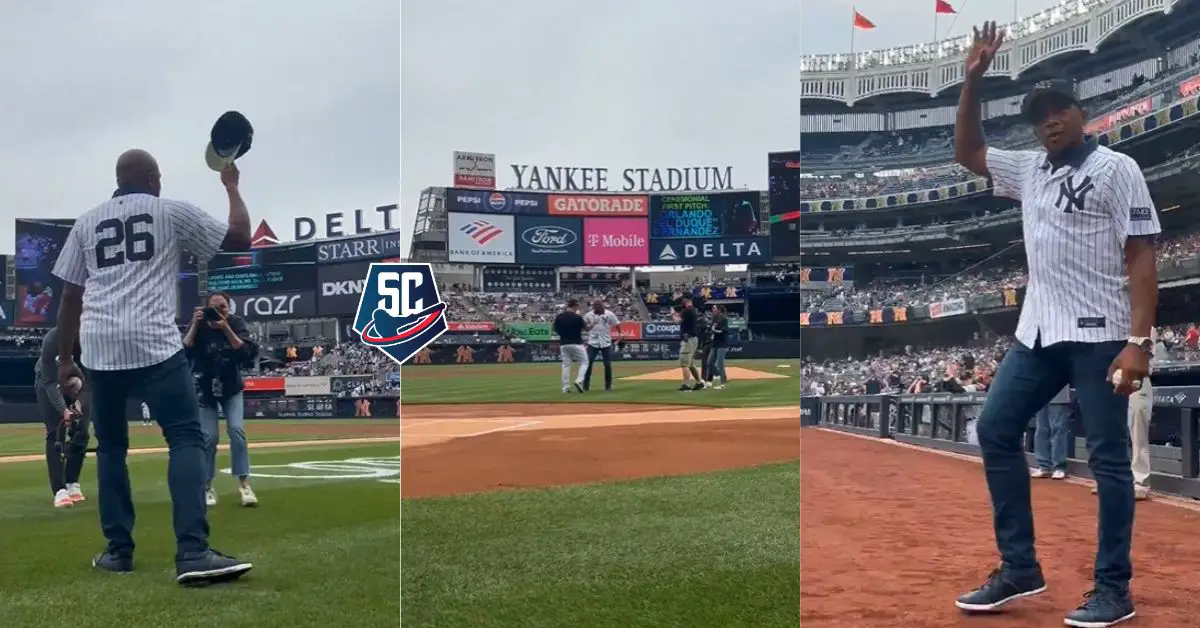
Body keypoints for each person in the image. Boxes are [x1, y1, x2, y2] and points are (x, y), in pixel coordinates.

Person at [951, 22, 1159, 627]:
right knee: (994, 429)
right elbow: (968, 154)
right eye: (1039, 114)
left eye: (1058, 109)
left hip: (1101, 336)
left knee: (1108, 460)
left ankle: (1113, 587)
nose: (1049, 121)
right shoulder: (1029, 170)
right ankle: (1020, 567)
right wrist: (971, 82)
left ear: (1079, 111)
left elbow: (1142, 254)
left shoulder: (1118, 168)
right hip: (1038, 333)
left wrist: (1139, 342)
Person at [53, 149, 254, 585]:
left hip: (101, 345)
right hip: (154, 342)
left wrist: (66, 358)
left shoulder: (87, 221)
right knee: (184, 437)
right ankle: (193, 552)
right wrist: (232, 185)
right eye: (157, 174)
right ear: (150, 177)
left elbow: (70, 295)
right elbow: (241, 238)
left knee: (110, 447)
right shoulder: (169, 211)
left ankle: (117, 553)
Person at [183, 291, 258, 508]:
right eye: (213, 308)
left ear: (229, 307)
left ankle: (244, 483)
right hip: (205, 388)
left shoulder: (236, 323)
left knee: (236, 431)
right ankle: (207, 486)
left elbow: (245, 352)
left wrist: (225, 327)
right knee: (208, 438)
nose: (218, 312)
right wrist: (195, 324)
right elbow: (185, 349)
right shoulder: (199, 326)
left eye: (222, 307)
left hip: (231, 386)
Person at [37, 326, 90, 508]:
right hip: (49, 381)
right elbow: (50, 382)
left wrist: (79, 402)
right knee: (55, 432)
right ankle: (59, 490)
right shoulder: (53, 339)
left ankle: (72, 482)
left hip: (78, 382)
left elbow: (89, 379)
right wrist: (64, 410)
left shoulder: (90, 339)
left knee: (82, 432)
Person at [1031, 387, 1072, 481]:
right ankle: (1044, 466)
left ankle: (1059, 467)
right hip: (1040, 395)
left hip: (1059, 394)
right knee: (1041, 430)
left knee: (1058, 429)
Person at [582, 300, 620, 392]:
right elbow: (584, 325)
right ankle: (585, 386)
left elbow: (617, 324)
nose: (595, 307)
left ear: (601, 306)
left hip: (606, 342)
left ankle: (608, 386)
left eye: (597, 306)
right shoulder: (588, 315)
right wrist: (589, 326)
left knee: (607, 364)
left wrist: (620, 334)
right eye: (594, 306)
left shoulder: (609, 314)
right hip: (592, 342)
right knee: (589, 363)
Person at [553, 298, 587, 393]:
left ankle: (565, 388)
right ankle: (579, 380)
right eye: (577, 306)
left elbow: (554, 328)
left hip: (563, 343)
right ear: (575, 306)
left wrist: (563, 335)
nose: (577, 308)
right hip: (576, 343)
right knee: (584, 362)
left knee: (566, 365)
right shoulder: (577, 317)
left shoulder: (559, 317)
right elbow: (586, 328)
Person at [676, 296, 702, 392]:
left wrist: (673, 313)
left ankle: (686, 385)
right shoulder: (693, 309)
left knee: (685, 363)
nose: (681, 301)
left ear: (686, 300)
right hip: (693, 338)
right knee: (690, 363)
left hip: (688, 339)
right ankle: (699, 383)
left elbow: (677, 321)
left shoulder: (687, 310)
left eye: (683, 299)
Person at [705, 305, 730, 389]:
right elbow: (711, 329)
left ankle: (723, 383)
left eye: (714, 309)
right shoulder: (714, 319)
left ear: (719, 310)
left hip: (722, 343)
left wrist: (714, 330)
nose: (713, 310)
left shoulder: (724, 319)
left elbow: (724, 331)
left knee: (720, 363)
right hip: (715, 343)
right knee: (709, 362)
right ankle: (719, 375)